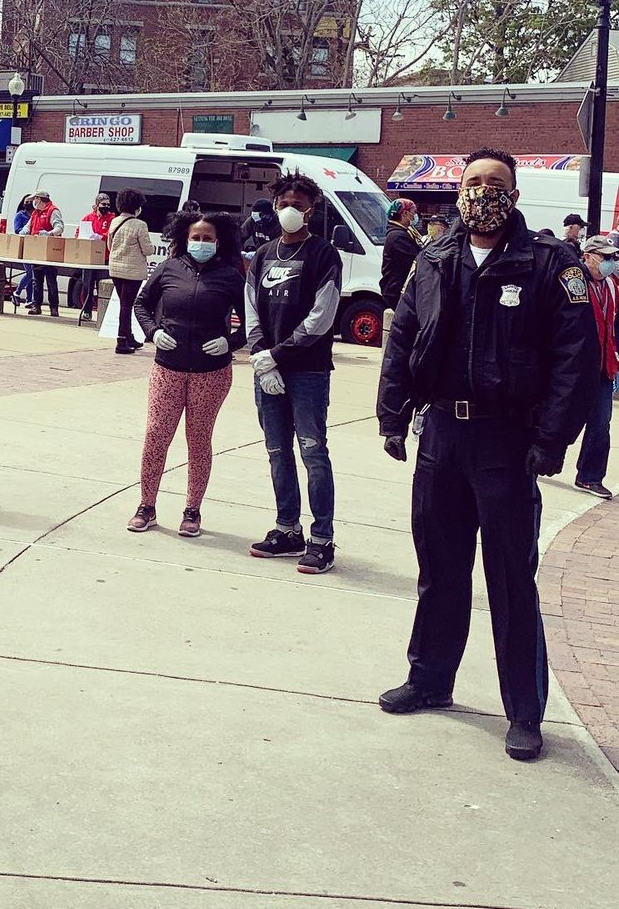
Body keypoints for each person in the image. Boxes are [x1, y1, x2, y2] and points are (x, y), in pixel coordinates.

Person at [377, 148, 597, 762]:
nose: (482, 193)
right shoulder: (435, 257)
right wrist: (392, 413)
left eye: (494, 184)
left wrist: (552, 439)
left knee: (510, 579)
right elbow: (402, 338)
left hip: (507, 443)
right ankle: (429, 680)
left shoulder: (553, 266)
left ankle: (525, 713)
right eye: (473, 183)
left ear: (515, 194)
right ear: (459, 192)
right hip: (442, 435)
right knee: (439, 570)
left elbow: (575, 361)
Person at [246, 171, 343, 574]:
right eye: (283, 203)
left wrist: (277, 356)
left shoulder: (324, 255)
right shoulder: (263, 253)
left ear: (311, 210)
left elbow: (322, 318)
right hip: (266, 370)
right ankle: (287, 529)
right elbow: (250, 305)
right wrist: (258, 354)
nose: (289, 210)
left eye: (298, 205)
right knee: (276, 451)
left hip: (307, 372)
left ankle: (322, 539)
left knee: (312, 451)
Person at [129, 211, 246, 537]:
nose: (201, 243)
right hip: (168, 368)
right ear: (184, 238)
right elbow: (141, 304)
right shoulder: (168, 268)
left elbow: (253, 320)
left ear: (219, 241)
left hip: (211, 373)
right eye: (196, 237)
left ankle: (192, 510)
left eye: (208, 238)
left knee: (198, 440)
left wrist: (230, 342)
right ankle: (146, 505)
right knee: (156, 435)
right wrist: (152, 331)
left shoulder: (229, 275)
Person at [573, 234, 619, 498]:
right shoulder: (573, 283)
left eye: (613, 257)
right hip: (574, 367)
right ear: (588, 257)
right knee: (554, 419)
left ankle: (590, 476)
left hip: (603, 366)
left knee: (601, 423)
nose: (610, 263)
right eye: (605, 257)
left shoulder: (612, 285)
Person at [107, 187, 153, 354]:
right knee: (127, 306)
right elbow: (147, 250)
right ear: (137, 206)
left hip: (115, 269)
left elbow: (109, 246)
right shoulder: (140, 225)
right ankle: (121, 341)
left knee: (124, 303)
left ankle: (129, 336)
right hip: (132, 271)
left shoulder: (114, 221)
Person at [380, 197, 423, 311]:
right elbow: (417, 257)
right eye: (413, 212)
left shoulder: (403, 232)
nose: (415, 216)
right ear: (405, 213)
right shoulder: (397, 237)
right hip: (396, 291)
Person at [25, 190, 64, 317]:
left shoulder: (53, 211)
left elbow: (59, 227)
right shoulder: (36, 212)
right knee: (37, 280)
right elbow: (28, 226)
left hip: (50, 252)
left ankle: (54, 307)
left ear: (40, 199)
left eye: (35, 199)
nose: (33, 202)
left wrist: (49, 233)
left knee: (51, 281)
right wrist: (24, 231)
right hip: (36, 250)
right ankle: (37, 305)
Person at [78, 192, 114, 318]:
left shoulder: (112, 219)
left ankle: (102, 314)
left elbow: (111, 234)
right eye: (103, 204)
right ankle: (87, 312)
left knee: (102, 286)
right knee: (87, 285)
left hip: (104, 257)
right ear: (97, 204)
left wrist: (101, 236)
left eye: (108, 205)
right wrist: (82, 238)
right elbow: (79, 232)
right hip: (89, 258)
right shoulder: (88, 218)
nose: (106, 207)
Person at [12, 194, 35, 306]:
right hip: (24, 246)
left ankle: (29, 299)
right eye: (26, 201)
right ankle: (17, 292)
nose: (28, 204)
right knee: (30, 273)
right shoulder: (20, 215)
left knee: (32, 274)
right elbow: (17, 230)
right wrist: (28, 230)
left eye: (31, 201)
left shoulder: (36, 215)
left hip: (34, 246)